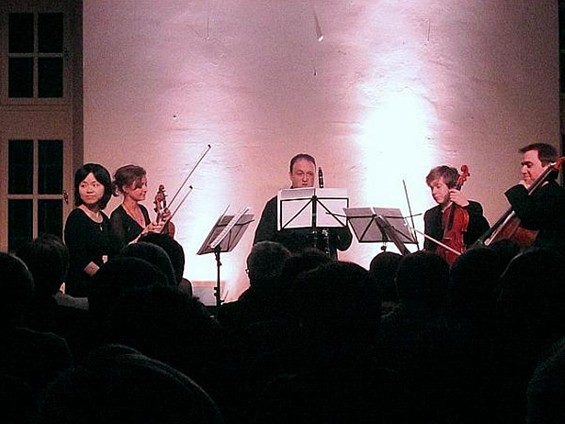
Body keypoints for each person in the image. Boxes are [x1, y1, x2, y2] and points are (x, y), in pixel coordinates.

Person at [253, 153, 352, 259]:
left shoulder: (328, 203)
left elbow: (344, 244)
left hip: (323, 270)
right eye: (300, 174)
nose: (305, 179)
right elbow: (260, 246)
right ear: (290, 175)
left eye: (310, 174)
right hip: (290, 270)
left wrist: (337, 220)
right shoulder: (275, 205)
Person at [64, 163, 118, 297]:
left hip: (101, 285)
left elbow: (116, 249)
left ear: (105, 188)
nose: (89, 190)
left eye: (95, 185)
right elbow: (80, 258)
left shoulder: (104, 218)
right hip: (82, 288)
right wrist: (106, 278)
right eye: (83, 185)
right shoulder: (76, 217)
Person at [504, 142, 565, 254]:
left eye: (529, 165)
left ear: (547, 166)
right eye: (523, 165)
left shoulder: (555, 194)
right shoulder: (533, 195)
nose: (523, 170)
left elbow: (530, 217)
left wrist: (520, 190)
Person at [423, 165, 489, 260]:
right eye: (431, 188)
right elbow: (428, 246)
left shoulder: (473, 207)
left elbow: (484, 233)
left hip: (466, 262)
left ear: (451, 187)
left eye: (438, 187)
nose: (434, 192)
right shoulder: (430, 215)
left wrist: (466, 206)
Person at [110, 164, 169, 247]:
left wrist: (163, 221)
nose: (145, 189)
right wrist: (144, 233)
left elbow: (150, 241)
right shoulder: (118, 216)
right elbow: (120, 251)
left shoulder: (143, 209)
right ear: (125, 188)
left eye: (145, 185)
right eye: (140, 186)